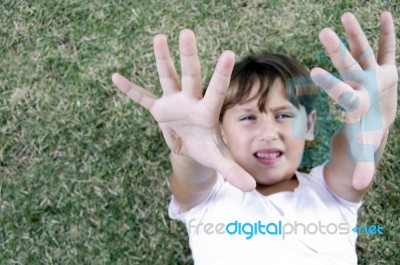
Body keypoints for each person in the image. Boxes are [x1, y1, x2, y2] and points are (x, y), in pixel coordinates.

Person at [111, 12, 397, 265]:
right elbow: (191, 177)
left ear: (308, 126)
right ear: (220, 130)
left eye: (283, 115)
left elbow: (353, 155)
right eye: (248, 117)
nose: (268, 132)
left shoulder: (331, 193)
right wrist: (188, 151)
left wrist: (372, 119)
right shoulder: (208, 197)